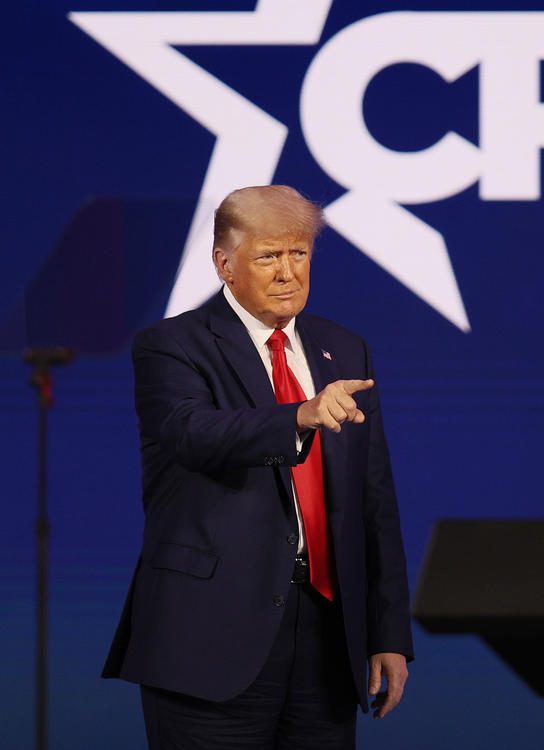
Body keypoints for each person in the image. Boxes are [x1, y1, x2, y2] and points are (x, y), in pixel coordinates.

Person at [102, 185, 413, 749]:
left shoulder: (344, 350)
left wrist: (388, 631)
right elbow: (193, 434)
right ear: (224, 263)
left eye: (299, 253)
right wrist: (299, 415)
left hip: (325, 639)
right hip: (208, 636)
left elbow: (374, 499)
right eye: (269, 256)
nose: (288, 272)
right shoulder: (173, 344)